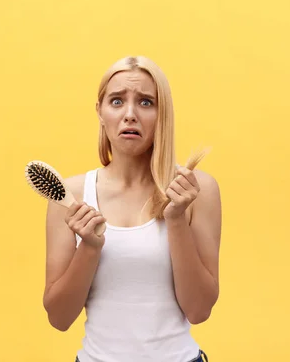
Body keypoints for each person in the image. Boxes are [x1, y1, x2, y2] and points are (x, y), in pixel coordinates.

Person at [42, 56, 222, 362]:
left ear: (162, 113)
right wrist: (89, 246)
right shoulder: (71, 195)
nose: (130, 114)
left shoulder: (195, 190)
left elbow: (199, 310)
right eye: (116, 101)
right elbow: (59, 318)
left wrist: (176, 220)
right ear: (99, 111)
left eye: (146, 102)